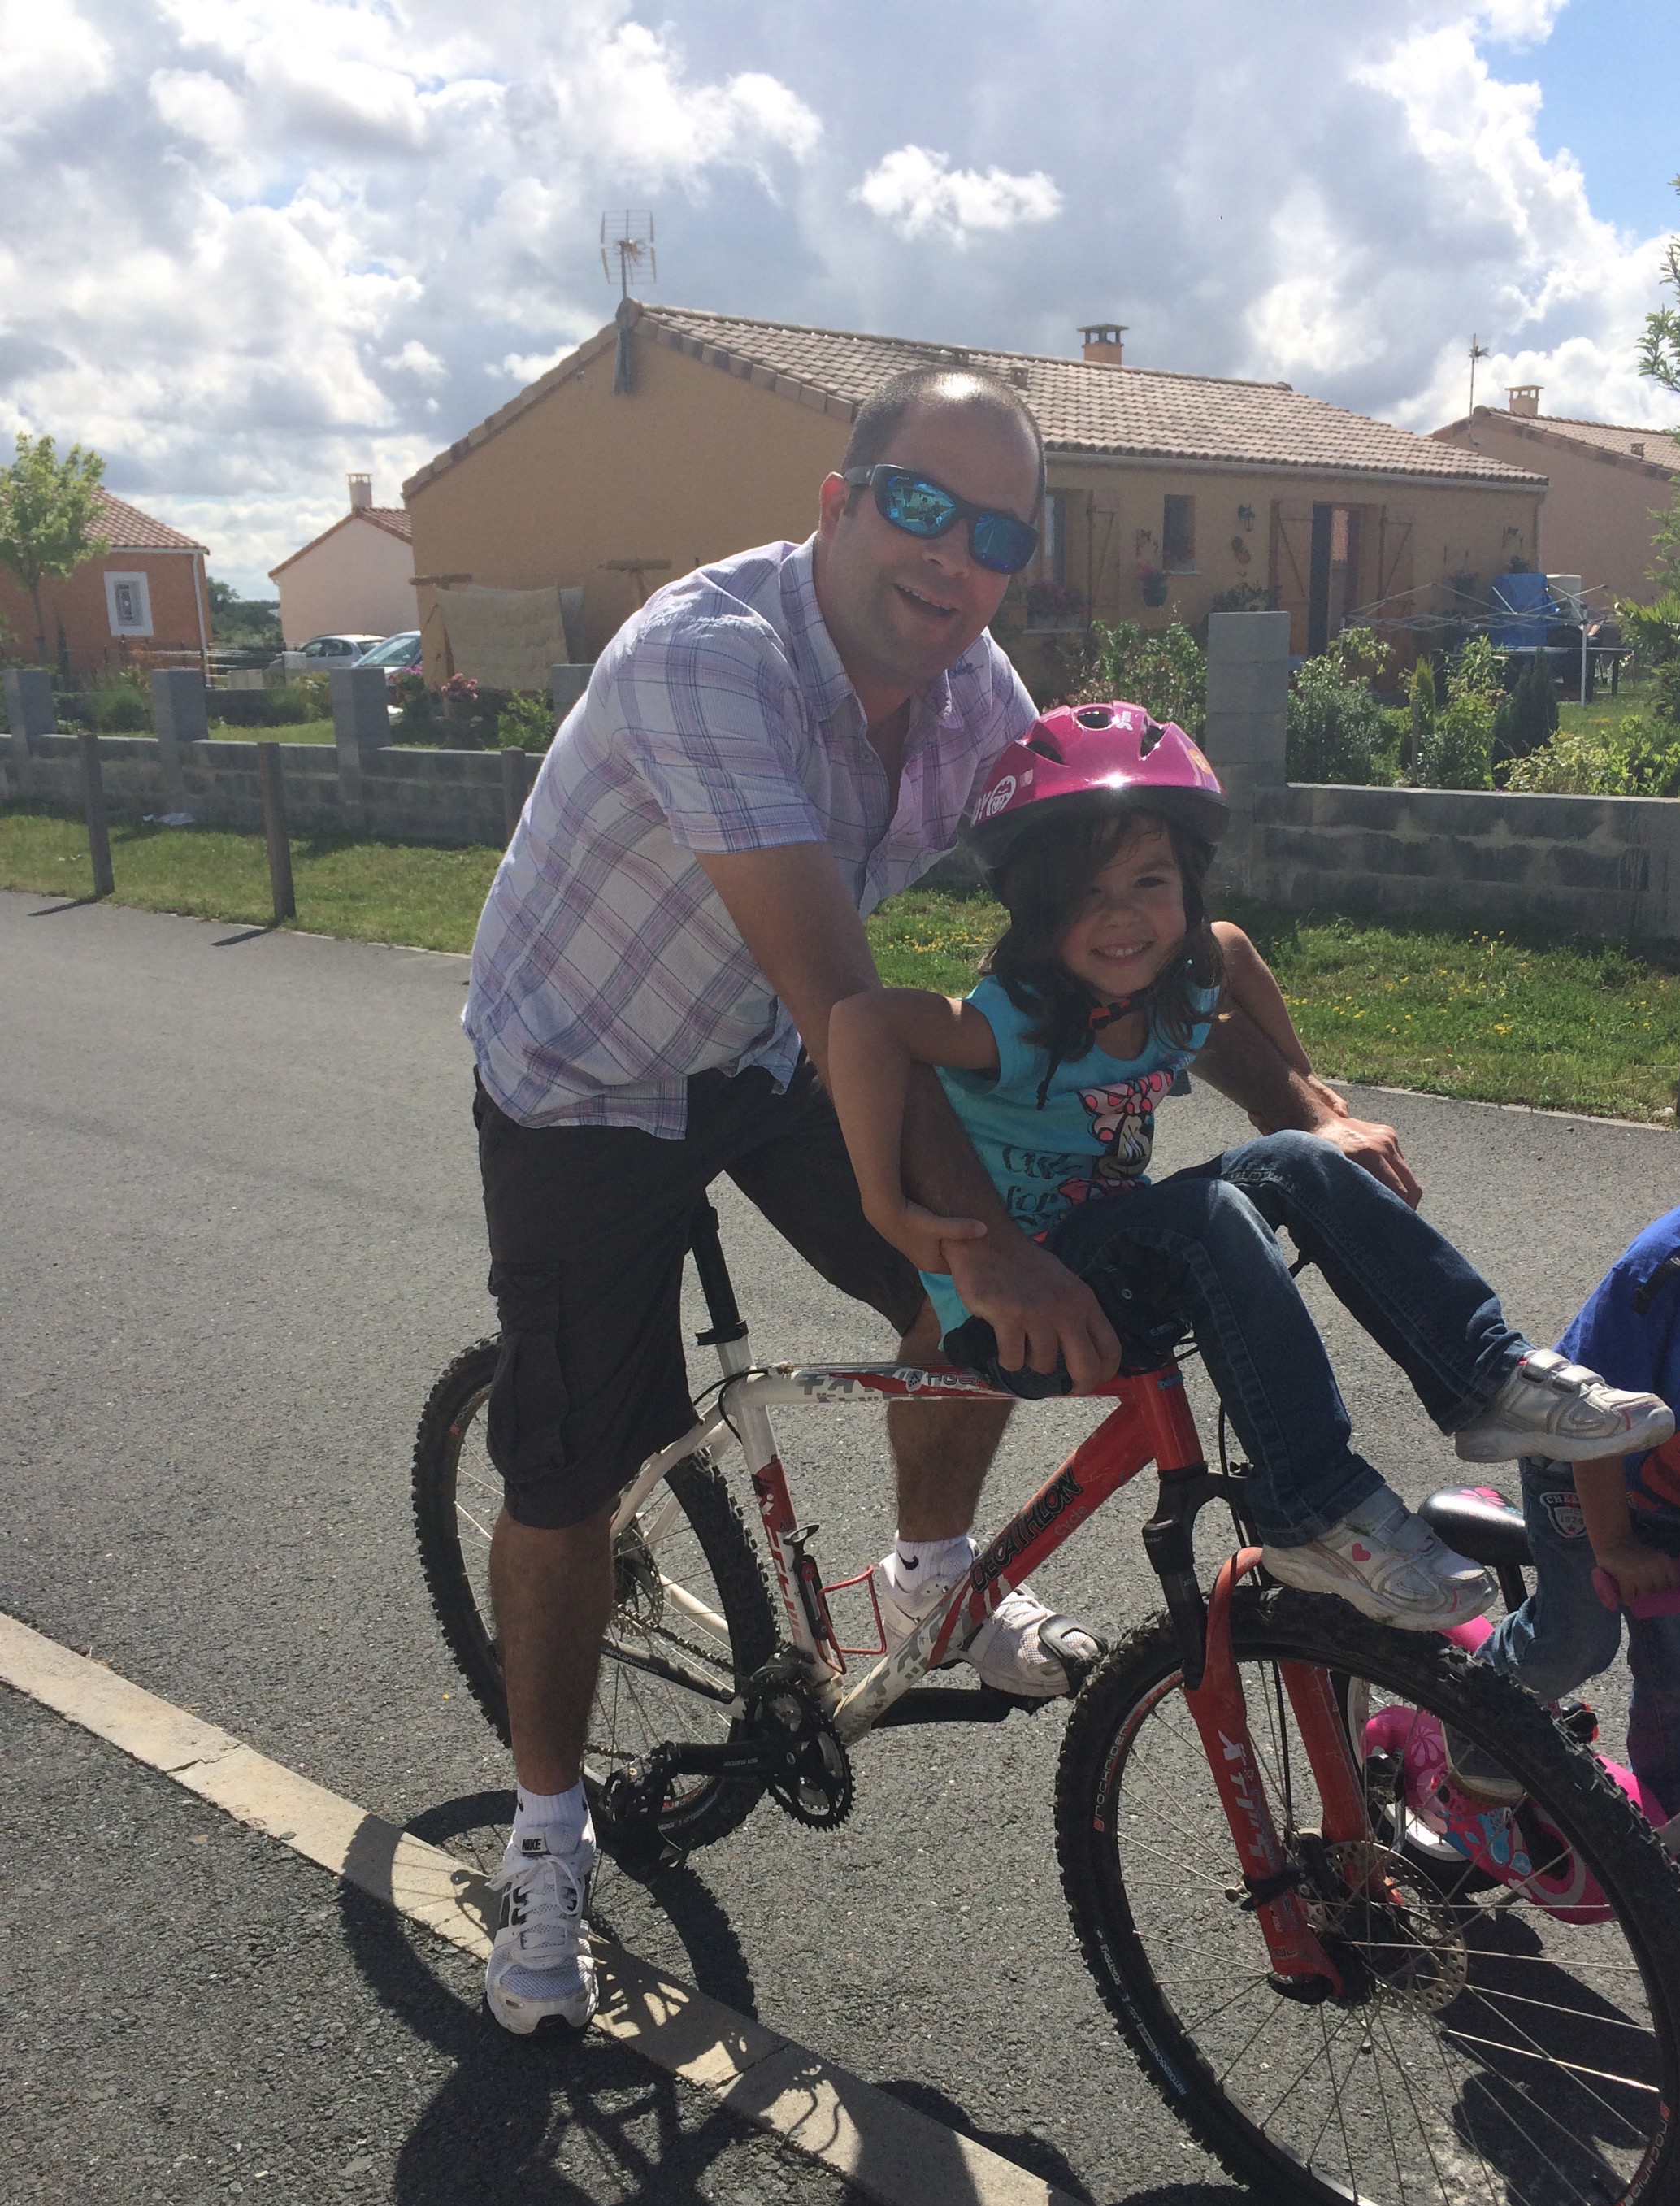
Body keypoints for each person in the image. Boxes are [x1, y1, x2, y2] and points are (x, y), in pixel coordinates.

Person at [461, 369, 1424, 2037]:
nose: (954, 555)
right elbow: (842, 983)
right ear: (837, 504)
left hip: (773, 1049)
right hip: (588, 1071)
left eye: (998, 533)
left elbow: (1100, 936)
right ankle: (546, 1831)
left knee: (962, 1309)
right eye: (920, 504)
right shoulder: (712, 658)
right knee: (574, 1467)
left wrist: (1302, 1100)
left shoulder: (977, 694)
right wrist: (992, 1237)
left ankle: (927, 1574)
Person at [825, 700, 1673, 1638]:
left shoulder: (1177, 987)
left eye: (1150, 880)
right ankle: (1313, 1513)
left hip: (1114, 1262)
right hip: (1018, 1311)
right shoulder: (1017, 1019)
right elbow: (863, 1022)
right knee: (1209, 1215)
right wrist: (885, 1206)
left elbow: (1230, 950)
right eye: (1083, 894)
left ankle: (1486, 1380)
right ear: (1033, 910)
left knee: (1297, 1160)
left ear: (1188, 881)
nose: (1122, 916)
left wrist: (1317, 1104)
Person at [1447, 980, 1680, 1926]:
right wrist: (1615, 1547)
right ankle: (1476, 1734)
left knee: (1679, 1674)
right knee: (1582, 1634)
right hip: (1587, 1462)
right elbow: (1592, 1421)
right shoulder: (1666, 1271)